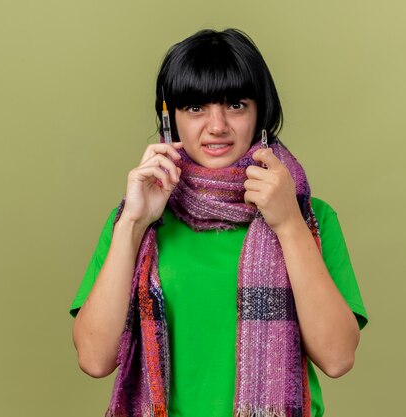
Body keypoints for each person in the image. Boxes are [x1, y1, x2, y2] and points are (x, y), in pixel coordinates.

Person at [70, 28, 368, 417]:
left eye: (236, 105)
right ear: (170, 118)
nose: (217, 126)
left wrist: (288, 224)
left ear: (261, 112)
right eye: (195, 108)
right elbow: (94, 359)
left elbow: (337, 358)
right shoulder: (137, 219)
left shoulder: (310, 217)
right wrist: (133, 223)